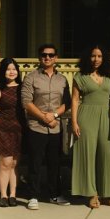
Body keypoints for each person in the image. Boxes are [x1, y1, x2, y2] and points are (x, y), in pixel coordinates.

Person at [21, 44, 71, 209]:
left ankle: (54, 194)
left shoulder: (62, 79)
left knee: (54, 163)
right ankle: (33, 196)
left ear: (56, 58)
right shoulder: (31, 77)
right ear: (39, 57)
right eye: (44, 55)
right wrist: (44, 117)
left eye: (51, 55)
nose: (47, 58)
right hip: (36, 126)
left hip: (55, 126)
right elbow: (26, 102)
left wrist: (54, 115)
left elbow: (66, 103)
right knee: (35, 162)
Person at [71, 45, 110, 208]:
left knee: (106, 154)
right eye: (93, 56)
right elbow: (75, 100)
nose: (96, 59)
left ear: (104, 58)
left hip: (105, 116)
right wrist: (74, 122)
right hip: (86, 116)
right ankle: (92, 193)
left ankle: (107, 193)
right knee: (88, 154)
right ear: (88, 57)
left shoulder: (108, 76)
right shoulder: (80, 76)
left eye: (99, 56)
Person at [0, 58, 24, 207]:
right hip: (2, 129)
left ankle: (13, 195)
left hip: (19, 129)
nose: (11, 72)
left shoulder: (23, 88)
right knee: (5, 163)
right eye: (8, 69)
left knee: (14, 163)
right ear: (3, 72)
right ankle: (3, 195)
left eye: (14, 69)